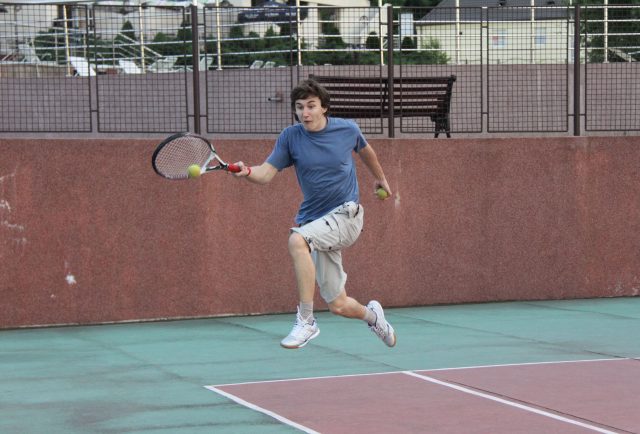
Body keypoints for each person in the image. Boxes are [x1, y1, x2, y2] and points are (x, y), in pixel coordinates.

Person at [232, 79, 396, 350]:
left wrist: (381, 179)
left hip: (347, 215)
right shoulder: (291, 137)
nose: (305, 113)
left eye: (311, 106)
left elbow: (367, 151)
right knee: (338, 305)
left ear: (324, 109)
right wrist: (246, 171)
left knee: (297, 241)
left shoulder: (347, 129)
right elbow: (265, 174)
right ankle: (373, 316)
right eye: (299, 107)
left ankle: (306, 321)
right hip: (316, 224)